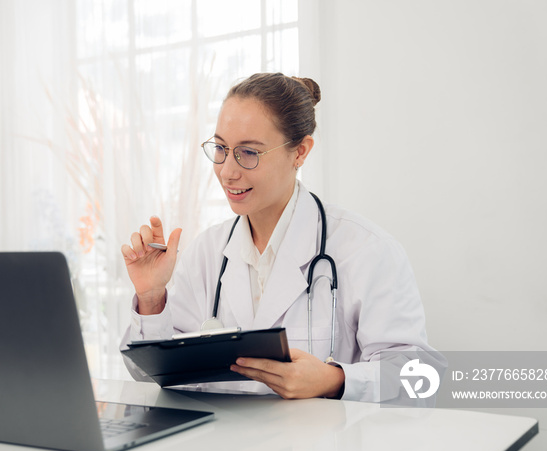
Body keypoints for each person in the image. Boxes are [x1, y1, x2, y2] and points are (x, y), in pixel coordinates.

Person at [120, 72, 438, 401]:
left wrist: (334, 379)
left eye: (249, 152)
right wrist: (151, 298)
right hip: (221, 449)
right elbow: (151, 376)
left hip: (324, 449)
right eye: (221, 148)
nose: (228, 171)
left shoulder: (366, 250)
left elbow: (418, 377)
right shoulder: (207, 253)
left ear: (300, 152)